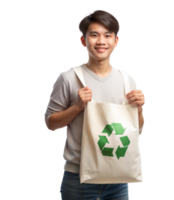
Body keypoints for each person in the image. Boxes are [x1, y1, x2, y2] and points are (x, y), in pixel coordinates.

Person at [44, 9, 147, 200]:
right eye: (94, 35)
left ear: (117, 41)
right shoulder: (68, 78)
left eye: (108, 35)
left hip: (119, 177)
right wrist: (77, 107)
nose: (101, 41)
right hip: (78, 178)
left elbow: (137, 130)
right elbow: (50, 124)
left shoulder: (128, 80)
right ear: (82, 41)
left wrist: (140, 109)